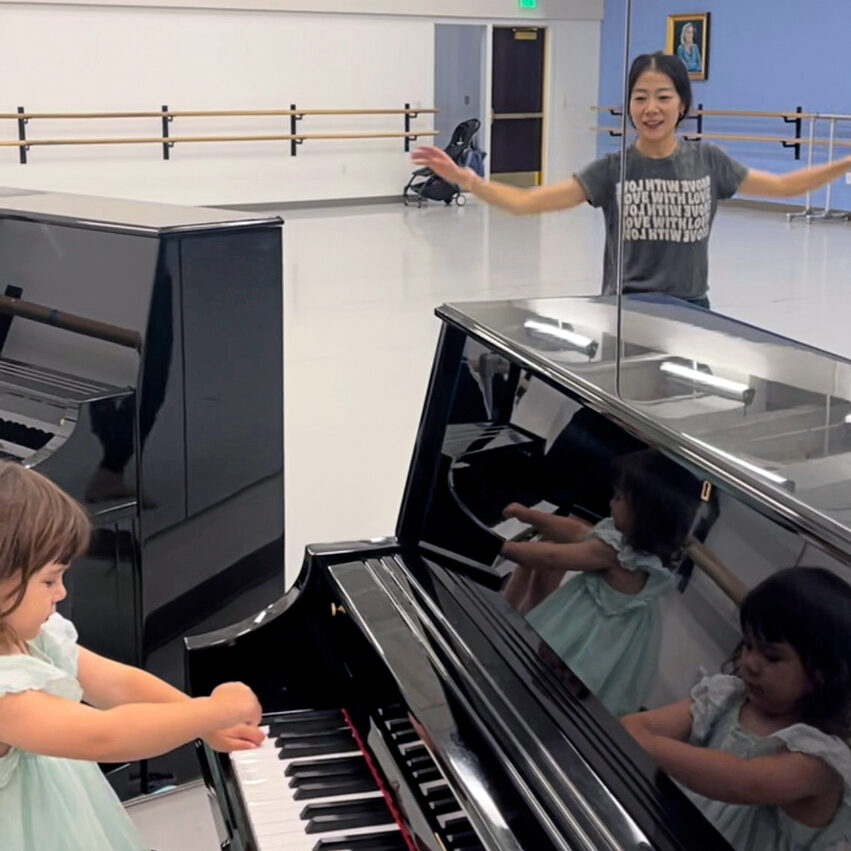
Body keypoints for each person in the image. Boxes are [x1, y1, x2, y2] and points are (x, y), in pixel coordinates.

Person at [411, 51, 851, 308]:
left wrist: (845, 162)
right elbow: (529, 203)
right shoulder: (612, 170)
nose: (651, 108)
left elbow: (785, 187)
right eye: (641, 97)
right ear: (630, 105)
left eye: (663, 96)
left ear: (683, 105)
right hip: (625, 312)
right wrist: (465, 178)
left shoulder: (709, 162)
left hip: (693, 311)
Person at [0, 462, 265, 851]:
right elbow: (103, 735)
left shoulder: (29, 634)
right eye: (49, 580)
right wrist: (212, 712)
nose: (61, 594)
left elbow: (119, 685)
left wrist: (197, 718)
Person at [622, 567, 851, 850]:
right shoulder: (728, 696)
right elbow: (637, 725)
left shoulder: (821, 760)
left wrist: (646, 743)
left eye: (771, 656)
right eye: (748, 645)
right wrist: (637, 733)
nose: (750, 663)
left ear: (821, 674)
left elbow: (742, 781)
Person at [502, 449, 700, 715]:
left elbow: (553, 556)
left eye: (619, 497)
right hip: (617, 632)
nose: (611, 502)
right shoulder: (635, 543)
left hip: (592, 634)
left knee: (558, 674)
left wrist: (504, 547)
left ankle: (535, 707)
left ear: (643, 513)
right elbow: (576, 531)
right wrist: (529, 516)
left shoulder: (615, 552)